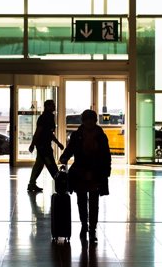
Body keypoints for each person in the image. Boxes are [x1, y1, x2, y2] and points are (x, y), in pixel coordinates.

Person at [59, 109, 111, 244]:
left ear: (94, 121)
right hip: (81, 171)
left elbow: (106, 155)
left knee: (93, 203)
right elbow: (70, 149)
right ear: (83, 121)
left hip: (95, 172)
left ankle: (91, 229)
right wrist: (64, 157)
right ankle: (84, 226)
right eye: (87, 120)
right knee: (82, 201)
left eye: (91, 120)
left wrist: (106, 171)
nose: (89, 123)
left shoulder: (100, 136)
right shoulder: (78, 135)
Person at [27, 99, 64, 193]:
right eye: (52, 105)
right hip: (43, 146)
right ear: (47, 106)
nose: (54, 106)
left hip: (44, 145)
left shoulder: (49, 117)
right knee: (51, 164)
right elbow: (38, 132)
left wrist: (58, 143)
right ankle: (59, 182)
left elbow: (49, 133)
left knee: (39, 164)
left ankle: (31, 184)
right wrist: (32, 144)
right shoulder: (44, 118)